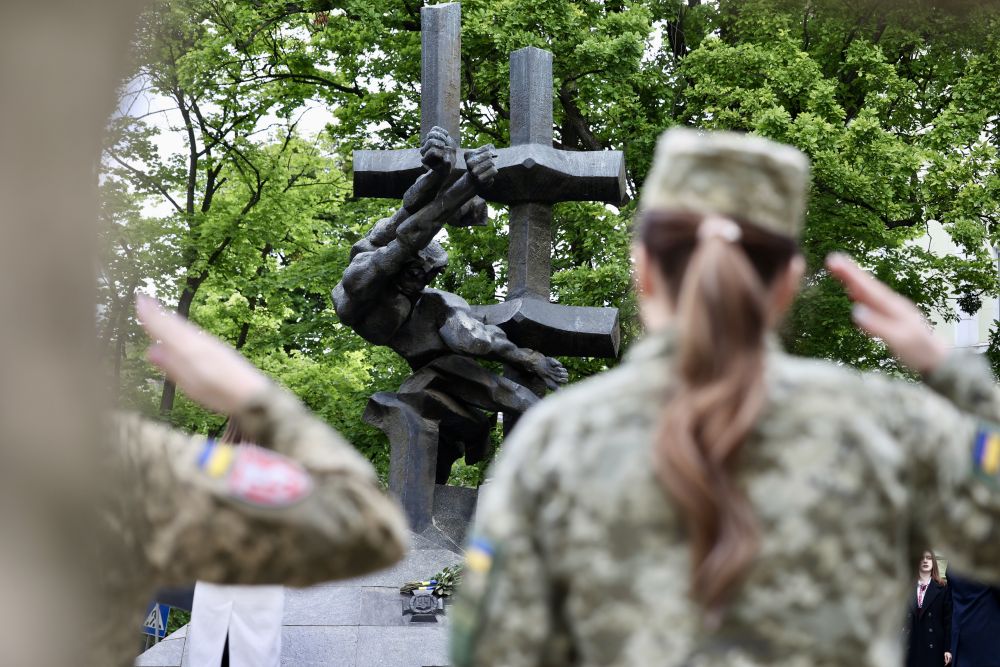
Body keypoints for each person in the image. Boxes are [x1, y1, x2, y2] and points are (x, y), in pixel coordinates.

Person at [449, 128, 1000, 667]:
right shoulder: (886, 427)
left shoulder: (554, 441)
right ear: (789, 281)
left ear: (642, 269)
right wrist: (946, 366)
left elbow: (486, 649)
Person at [95, 296, 409, 667]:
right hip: (255, 615)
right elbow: (365, 526)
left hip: (214, 611)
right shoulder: (281, 480)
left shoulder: (206, 470)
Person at [906, 550, 952, 667]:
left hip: (934, 646)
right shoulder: (906, 588)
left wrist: (947, 649)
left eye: (929, 558)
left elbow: (948, 621)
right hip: (911, 645)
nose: (925, 561)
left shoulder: (942, 589)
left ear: (934, 562)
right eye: (922, 558)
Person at [948, 571, 1000, 667]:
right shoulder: (989, 565)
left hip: (961, 641)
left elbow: (949, 603)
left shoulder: (953, 567)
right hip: (988, 641)